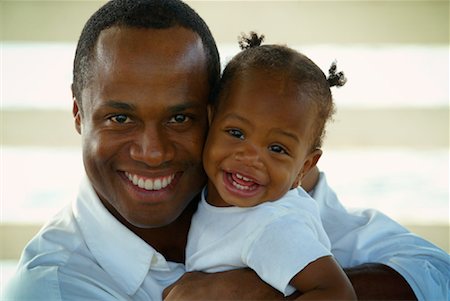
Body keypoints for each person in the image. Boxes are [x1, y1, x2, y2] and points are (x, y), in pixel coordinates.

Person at [3, 0, 449, 300]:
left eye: (181, 118)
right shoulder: (55, 286)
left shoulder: (260, 185)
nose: (153, 152)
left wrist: (257, 289)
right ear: (79, 114)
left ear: (213, 114)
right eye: (120, 118)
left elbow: (436, 272)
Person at [185, 32, 356, 300]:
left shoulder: (272, 226)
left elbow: (337, 293)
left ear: (304, 167)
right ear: (210, 121)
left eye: (277, 149)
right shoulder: (211, 197)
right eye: (236, 133)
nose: (250, 157)